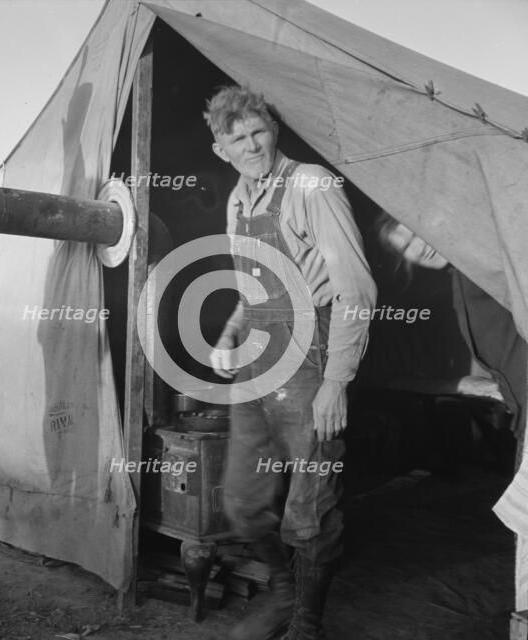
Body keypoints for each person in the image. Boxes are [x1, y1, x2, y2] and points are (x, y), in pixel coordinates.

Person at [205, 86, 376, 640]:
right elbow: (250, 285)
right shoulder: (237, 200)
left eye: (259, 131)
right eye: (239, 139)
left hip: (312, 354)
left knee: (310, 505)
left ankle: (306, 623)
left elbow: (356, 289)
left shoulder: (312, 185)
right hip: (260, 356)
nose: (253, 145)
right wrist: (230, 335)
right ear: (220, 150)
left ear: (273, 129)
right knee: (243, 501)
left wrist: (336, 382)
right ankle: (283, 593)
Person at [376, 211, 527, 442]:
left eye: (416, 234)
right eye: (406, 248)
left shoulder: (486, 264)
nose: (419, 249)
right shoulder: (457, 285)